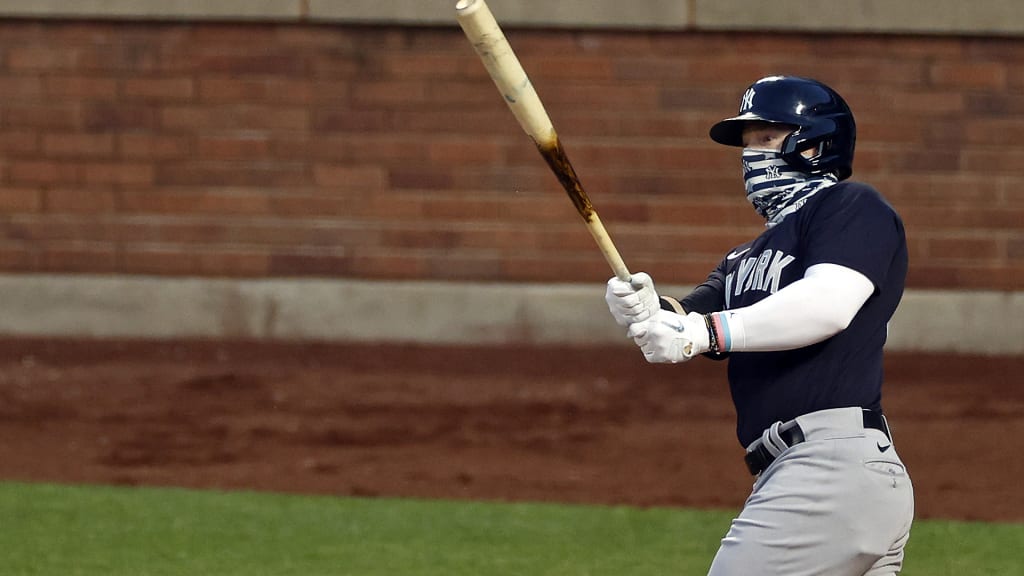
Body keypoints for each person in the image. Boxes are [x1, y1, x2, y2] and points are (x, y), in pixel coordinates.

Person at [604, 75, 914, 575]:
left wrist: (700, 334)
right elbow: (689, 318)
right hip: (806, 476)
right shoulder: (742, 257)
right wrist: (643, 307)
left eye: (767, 138)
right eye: (747, 144)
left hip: (829, 471)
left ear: (814, 144)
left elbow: (827, 305)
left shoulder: (851, 207)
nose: (752, 156)